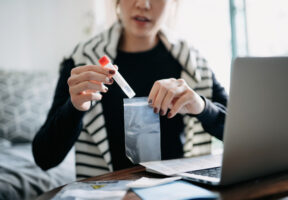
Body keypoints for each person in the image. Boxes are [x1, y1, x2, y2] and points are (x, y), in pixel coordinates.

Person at [33, 0, 227, 179]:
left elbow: (243, 134)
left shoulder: (192, 63)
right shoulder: (83, 60)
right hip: (110, 193)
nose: (143, 4)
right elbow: (45, 158)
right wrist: (74, 108)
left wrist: (202, 107)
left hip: (178, 189)